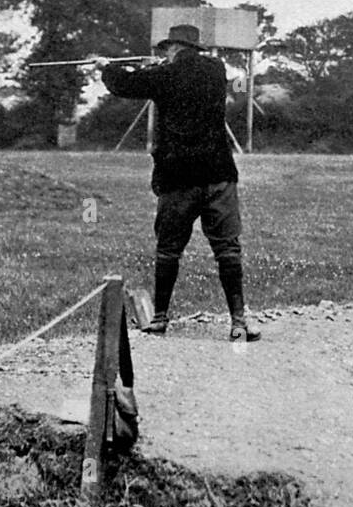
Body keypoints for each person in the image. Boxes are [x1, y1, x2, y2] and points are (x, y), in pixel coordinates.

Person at [101, 24, 259, 341]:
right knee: (228, 250)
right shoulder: (215, 70)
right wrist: (158, 67)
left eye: (166, 50)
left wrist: (106, 66)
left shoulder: (164, 75)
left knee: (168, 250)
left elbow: (123, 84)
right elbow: (176, 75)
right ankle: (238, 321)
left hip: (178, 177)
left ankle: (160, 319)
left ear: (173, 48)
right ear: (195, 48)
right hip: (219, 173)